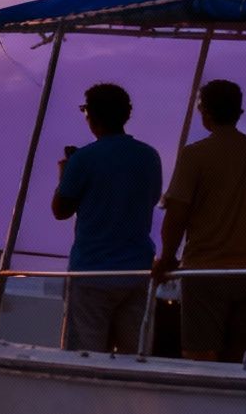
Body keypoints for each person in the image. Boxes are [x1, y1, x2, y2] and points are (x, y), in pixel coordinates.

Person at [155, 79, 246, 363]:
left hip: (205, 271)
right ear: (238, 111)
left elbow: (177, 214)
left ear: (205, 111)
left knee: (199, 354)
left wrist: (167, 258)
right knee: (238, 358)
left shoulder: (195, 155)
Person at [51, 82, 162, 353]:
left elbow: (60, 211)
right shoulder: (149, 157)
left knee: (85, 358)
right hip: (136, 271)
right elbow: (152, 199)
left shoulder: (84, 160)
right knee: (133, 358)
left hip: (92, 272)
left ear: (92, 115)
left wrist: (65, 176)